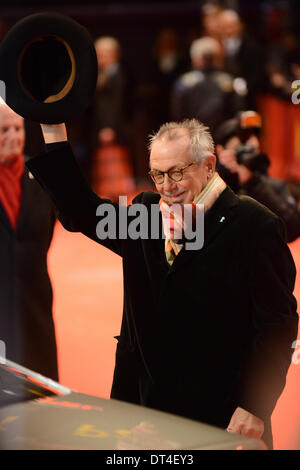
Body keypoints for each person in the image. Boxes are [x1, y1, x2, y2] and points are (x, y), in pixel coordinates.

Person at [26, 118, 298, 449]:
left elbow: (277, 326)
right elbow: (82, 212)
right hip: (142, 409)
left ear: (209, 165)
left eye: (177, 172)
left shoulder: (255, 225)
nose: (166, 185)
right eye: (158, 174)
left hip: (221, 417)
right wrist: (54, 127)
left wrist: (255, 405)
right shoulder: (146, 214)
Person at [0, 102, 58, 380]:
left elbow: (47, 228)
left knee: (41, 384)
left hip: (34, 302)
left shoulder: (41, 177)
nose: (12, 137)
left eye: (16, 129)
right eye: (2, 130)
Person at [216, 110, 300, 243]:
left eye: (251, 150)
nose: (246, 155)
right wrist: (222, 175)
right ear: (221, 151)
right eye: (240, 149)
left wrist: (252, 183)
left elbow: (292, 230)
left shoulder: (272, 186)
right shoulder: (212, 186)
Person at [170, 36, 245, 137]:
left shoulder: (184, 82)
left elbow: (178, 115)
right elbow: (236, 112)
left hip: (193, 139)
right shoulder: (228, 81)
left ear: (195, 59)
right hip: (222, 138)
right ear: (217, 57)